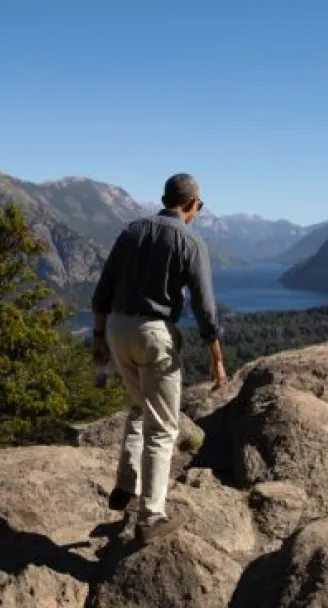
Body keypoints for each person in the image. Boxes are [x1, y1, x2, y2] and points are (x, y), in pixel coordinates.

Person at [90, 172, 228, 545]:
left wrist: (99, 337)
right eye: (199, 205)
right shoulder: (190, 240)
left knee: (138, 408)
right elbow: (204, 307)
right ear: (191, 204)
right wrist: (216, 357)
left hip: (119, 328)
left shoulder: (132, 230)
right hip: (154, 334)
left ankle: (124, 487)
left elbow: (103, 289)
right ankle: (151, 517)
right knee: (163, 427)